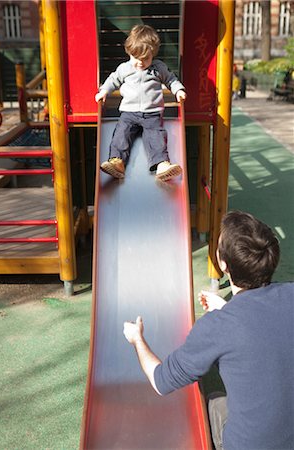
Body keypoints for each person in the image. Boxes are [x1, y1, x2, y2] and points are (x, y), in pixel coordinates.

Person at [123, 210, 294, 450]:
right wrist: (227, 309)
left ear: (223, 264)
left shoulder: (217, 327)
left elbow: (161, 381)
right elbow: (261, 323)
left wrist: (137, 339)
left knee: (213, 400)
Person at [95, 25, 186, 182]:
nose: (140, 63)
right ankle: (117, 162)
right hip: (129, 112)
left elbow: (171, 79)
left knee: (156, 136)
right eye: (136, 58)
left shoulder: (158, 68)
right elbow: (113, 80)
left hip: (152, 113)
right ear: (129, 53)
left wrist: (178, 90)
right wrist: (104, 91)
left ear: (153, 54)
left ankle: (162, 165)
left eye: (145, 59)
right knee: (121, 133)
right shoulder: (124, 68)